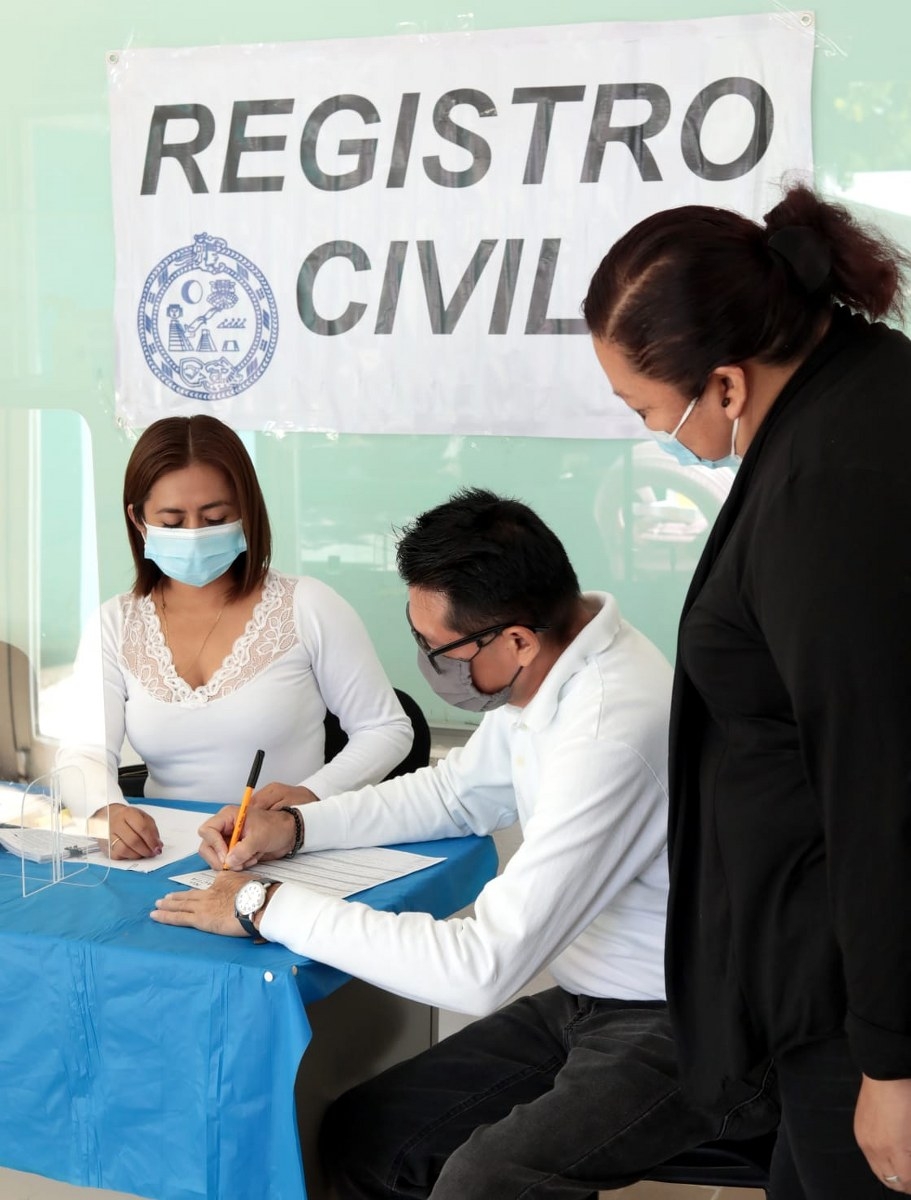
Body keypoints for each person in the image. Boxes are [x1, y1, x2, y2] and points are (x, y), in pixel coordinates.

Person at [151, 487, 778, 1198]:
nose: (426, 662)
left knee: (485, 1182)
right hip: (588, 999)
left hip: (683, 1022)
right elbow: (455, 793)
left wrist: (264, 906)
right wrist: (298, 826)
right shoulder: (550, 667)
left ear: (515, 640)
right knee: (369, 1136)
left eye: (436, 648)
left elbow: (479, 970)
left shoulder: (610, 727)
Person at [582, 182, 911, 1198]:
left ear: (723, 383)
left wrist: (890, 1064)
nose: (655, 433)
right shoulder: (863, 393)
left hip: (853, 1008)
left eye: (645, 409)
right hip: (824, 989)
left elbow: (878, 783)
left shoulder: (830, 485)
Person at [58, 415, 412, 860]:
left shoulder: (309, 606)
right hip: (163, 854)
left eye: (215, 517)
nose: (194, 534)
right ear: (138, 520)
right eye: (172, 520)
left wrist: (311, 796)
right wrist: (104, 809)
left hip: (291, 851)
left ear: (246, 510)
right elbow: (84, 751)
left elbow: (387, 729)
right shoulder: (115, 623)